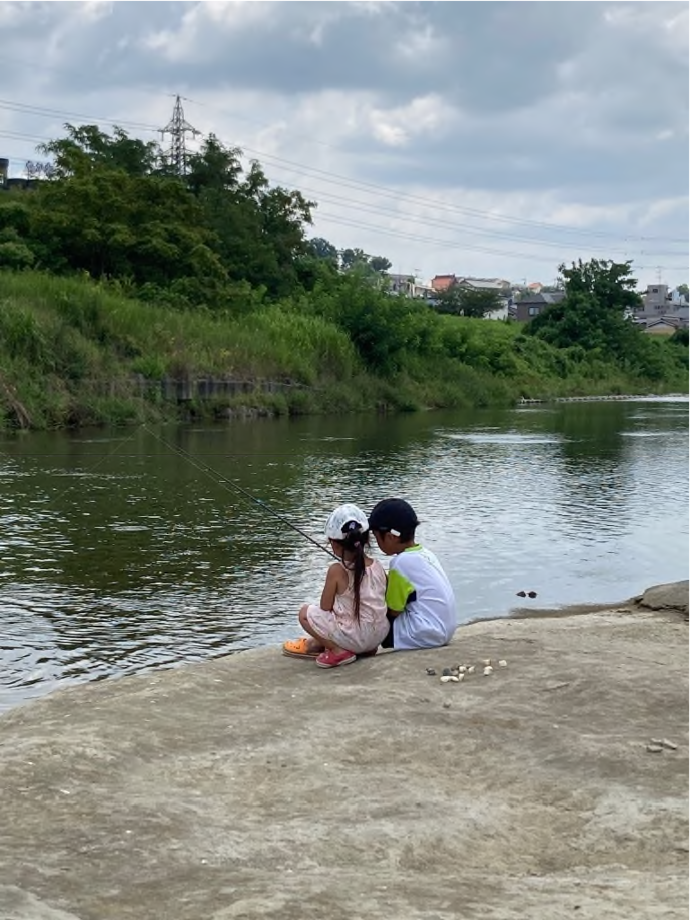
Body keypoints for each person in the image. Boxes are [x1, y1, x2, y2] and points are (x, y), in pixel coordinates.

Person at [282, 504, 389, 669]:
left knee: (304, 613)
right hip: (377, 636)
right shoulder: (378, 566)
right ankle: (362, 648)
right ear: (366, 539)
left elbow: (325, 608)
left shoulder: (336, 570)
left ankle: (338, 651)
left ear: (335, 544)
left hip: (355, 637)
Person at [368, 498, 457, 650]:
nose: (377, 542)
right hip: (445, 629)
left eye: (377, 537)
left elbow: (394, 610)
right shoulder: (425, 554)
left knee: (375, 620)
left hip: (427, 633)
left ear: (391, 537)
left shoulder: (400, 563)